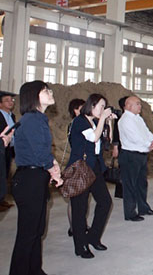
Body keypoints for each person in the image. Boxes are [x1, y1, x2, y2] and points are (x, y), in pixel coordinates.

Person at [9, 81, 63, 275]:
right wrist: (53, 170)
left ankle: (34, 270)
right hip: (29, 179)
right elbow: (39, 152)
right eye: (45, 90)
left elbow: (42, 150)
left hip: (36, 176)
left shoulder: (39, 118)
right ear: (33, 96)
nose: (50, 92)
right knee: (28, 233)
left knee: (37, 230)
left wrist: (52, 164)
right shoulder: (32, 119)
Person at [66, 94, 115, 258]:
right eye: (101, 106)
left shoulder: (94, 122)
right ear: (91, 106)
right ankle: (80, 246)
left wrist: (108, 122)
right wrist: (102, 119)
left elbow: (106, 141)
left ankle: (93, 237)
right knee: (80, 209)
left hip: (94, 167)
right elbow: (93, 137)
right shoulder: (79, 121)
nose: (103, 110)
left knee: (105, 202)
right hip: (81, 168)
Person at [117, 96, 153, 221]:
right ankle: (130, 213)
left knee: (141, 183)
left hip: (141, 154)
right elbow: (134, 137)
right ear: (129, 106)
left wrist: (152, 140)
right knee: (130, 185)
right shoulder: (125, 120)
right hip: (130, 155)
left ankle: (143, 208)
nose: (140, 106)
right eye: (138, 104)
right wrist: (148, 144)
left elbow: (146, 131)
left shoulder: (138, 118)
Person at [64, 98, 85, 238]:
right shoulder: (74, 124)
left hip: (83, 163)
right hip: (76, 164)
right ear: (75, 110)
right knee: (74, 199)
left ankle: (79, 224)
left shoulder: (82, 123)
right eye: (81, 108)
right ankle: (73, 227)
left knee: (82, 199)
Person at [0, 90, 16, 210]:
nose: (10, 102)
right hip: (1, 148)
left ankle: (2, 199)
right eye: (7, 100)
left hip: (9, 150)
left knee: (5, 173)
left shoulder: (12, 116)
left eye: (12, 100)